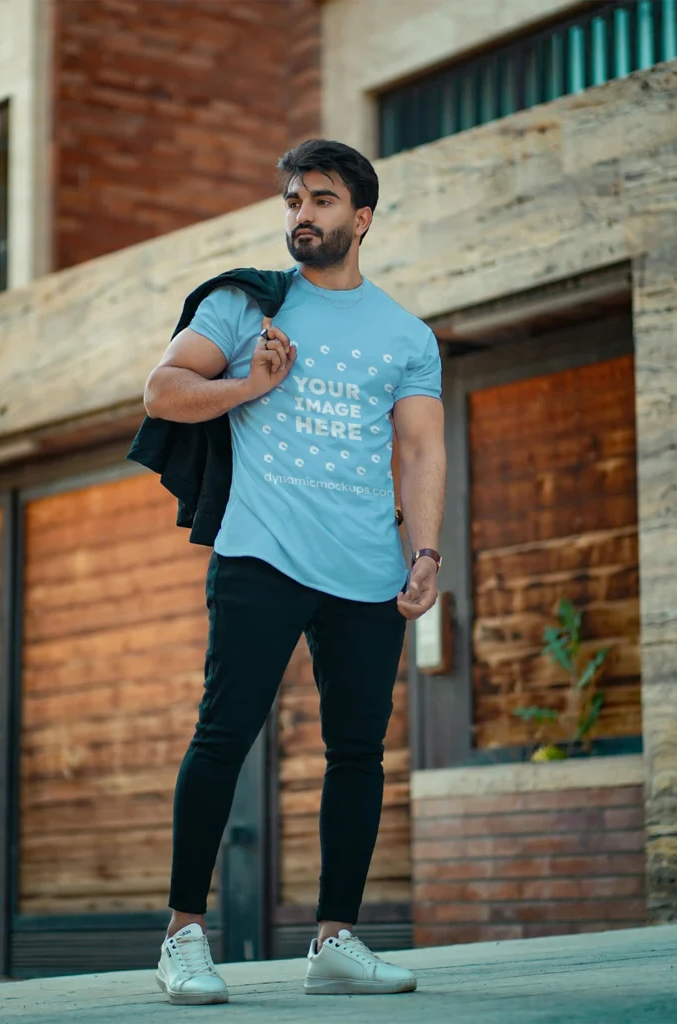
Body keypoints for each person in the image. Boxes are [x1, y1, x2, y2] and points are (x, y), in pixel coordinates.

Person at [145, 139, 446, 1005]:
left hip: (363, 567)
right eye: (291, 200)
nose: (300, 214)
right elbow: (161, 391)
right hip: (261, 553)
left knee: (357, 754)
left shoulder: (404, 334)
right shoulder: (247, 306)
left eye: (319, 199)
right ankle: (183, 937)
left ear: (361, 217)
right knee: (223, 735)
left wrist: (423, 552)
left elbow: (421, 448)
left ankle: (335, 941)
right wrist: (248, 387)